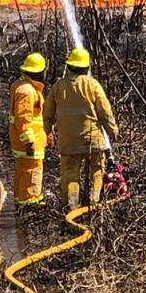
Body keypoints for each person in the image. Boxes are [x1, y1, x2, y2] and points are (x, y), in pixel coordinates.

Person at [43, 47, 119, 211]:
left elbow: (47, 112)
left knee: (70, 175)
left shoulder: (58, 87)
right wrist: (113, 130)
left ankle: (72, 207)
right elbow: (105, 111)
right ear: (86, 67)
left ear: (69, 66)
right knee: (97, 172)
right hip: (93, 139)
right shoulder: (93, 85)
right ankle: (94, 204)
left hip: (68, 141)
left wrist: (46, 131)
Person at [8, 52, 48, 208]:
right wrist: (29, 141)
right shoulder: (27, 91)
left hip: (23, 139)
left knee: (22, 168)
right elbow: (23, 118)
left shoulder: (23, 86)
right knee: (32, 169)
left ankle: (20, 198)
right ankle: (30, 200)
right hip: (28, 140)